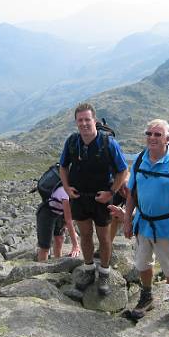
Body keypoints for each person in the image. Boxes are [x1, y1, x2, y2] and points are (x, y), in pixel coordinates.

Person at [123, 119, 169, 327]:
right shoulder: (139, 159)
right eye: (149, 134)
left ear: (167, 139)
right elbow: (131, 194)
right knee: (143, 263)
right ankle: (147, 297)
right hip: (143, 223)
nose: (152, 138)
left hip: (168, 226)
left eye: (157, 134)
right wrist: (127, 220)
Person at [59, 103, 128, 296]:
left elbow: (123, 170)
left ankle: (104, 273)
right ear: (76, 122)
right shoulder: (72, 142)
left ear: (94, 121)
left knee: (104, 238)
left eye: (87, 119)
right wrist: (66, 187)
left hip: (101, 199)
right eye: (80, 120)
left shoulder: (108, 143)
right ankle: (88, 269)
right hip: (80, 197)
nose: (84, 124)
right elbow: (63, 167)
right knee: (86, 235)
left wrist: (111, 192)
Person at [36, 185, 80, 262]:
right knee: (45, 247)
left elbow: (72, 214)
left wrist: (69, 229)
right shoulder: (64, 192)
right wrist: (75, 245)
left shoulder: (76, 192)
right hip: (47, 213)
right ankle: (42, 268)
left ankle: (57, 263)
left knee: (59, 239)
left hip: (59, 213)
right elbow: (68, 220)